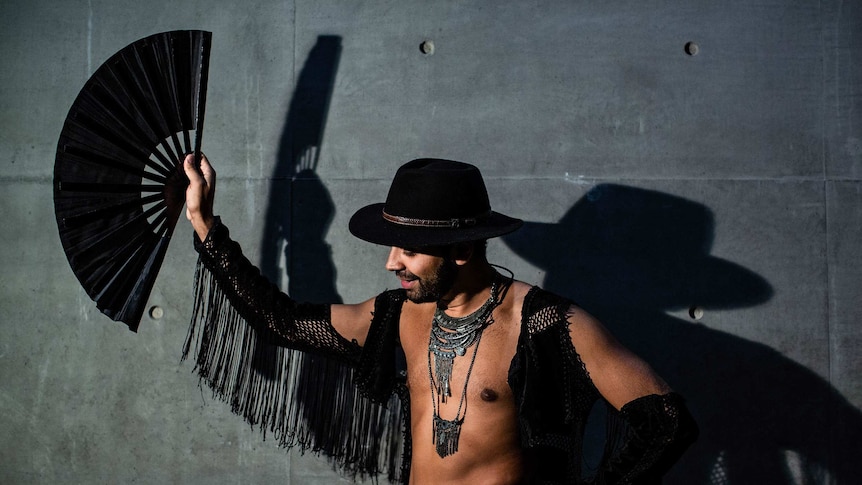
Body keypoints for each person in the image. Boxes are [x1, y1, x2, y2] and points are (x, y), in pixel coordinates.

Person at [182, 154, 698, 484]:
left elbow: (666, 423)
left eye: (408, 249)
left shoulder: (545, 322)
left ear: (462, 249)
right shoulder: (397, 316)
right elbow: (282, 322)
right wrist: (205, 225)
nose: (391, 264)